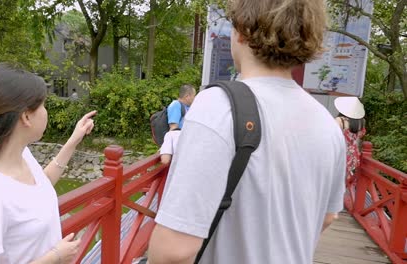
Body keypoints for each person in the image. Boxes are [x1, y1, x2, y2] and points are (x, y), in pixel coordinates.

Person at [147, 0, 346, 263]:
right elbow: (329, 216)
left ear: (241, 29)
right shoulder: (327, 124)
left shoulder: (218, 105)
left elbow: (174, 250)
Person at [0, 63, 97, 264]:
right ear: (26, 116)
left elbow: (40, 185)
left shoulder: (23, 156)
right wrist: (55, 257)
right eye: (43, 105)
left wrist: (74, 140)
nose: (46, 111)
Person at [334, 97, 366, 177]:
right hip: (353, 155)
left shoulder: (340, 120)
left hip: (339, 155)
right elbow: (359, 138)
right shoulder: (361, 122)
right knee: (343, 181)